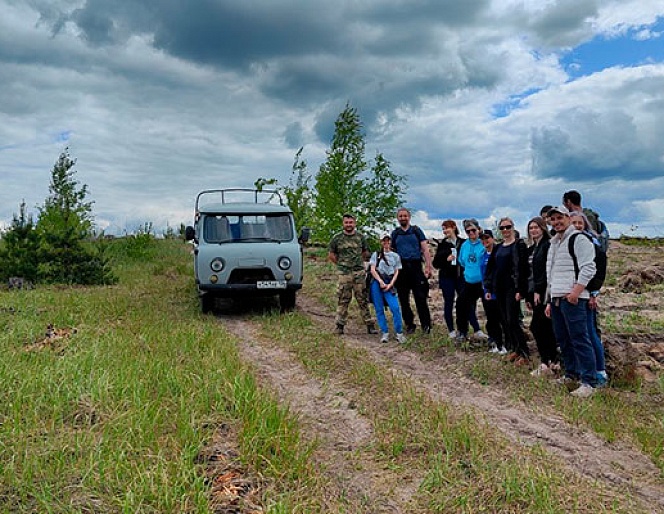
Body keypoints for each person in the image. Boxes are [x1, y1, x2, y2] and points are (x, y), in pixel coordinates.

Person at [545, 205, 598, 398]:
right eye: (553, 219)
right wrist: (550, 301)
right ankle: (571, 374)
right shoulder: (554, 243)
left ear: (568, 218)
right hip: (558, 298)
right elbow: (551, 274)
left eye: (560, 218)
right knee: (564, 339)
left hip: (573, 299)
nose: (557, 222)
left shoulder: (578, 239)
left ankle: (588, 381)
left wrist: (576, 291)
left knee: (580, 339)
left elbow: (589, 268)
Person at [569, 210, 608, 387]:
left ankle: (600, 372)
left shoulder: (592, 243)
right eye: (573, 223)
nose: (576, 226)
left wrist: (594, 292)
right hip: (575, 295)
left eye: (579, 223)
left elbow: (597, 270)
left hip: (587, 295)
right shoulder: (569, 242)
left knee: (590, 333)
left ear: (585, 224)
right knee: (579, 334)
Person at [483, 217, 530, 365]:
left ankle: (524, 352)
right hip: (499, 288)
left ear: (513, 227)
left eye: (507, 227)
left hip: (512, 288)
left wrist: (520, 289)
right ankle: (515, 349)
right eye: (502, 228)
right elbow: (491, 269)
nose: (505, 230)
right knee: (505, 321)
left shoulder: (519, 245)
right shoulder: (498, 247)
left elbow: (522, 269)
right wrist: (489, 287)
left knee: (513, 320)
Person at [328, 214, 377, 335]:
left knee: (362, 299)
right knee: (343, 299)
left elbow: (365, 252)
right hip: (344, 274)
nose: (349, 224)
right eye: (346, 222)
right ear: (343, 224)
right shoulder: (337, 238)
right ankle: (339, 326)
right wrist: (341, 265)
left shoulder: (360, 237)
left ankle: (369, 325)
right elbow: (331, 254)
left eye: (351, 222)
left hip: (359, 273)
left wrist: (359, 263)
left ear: (354, 223)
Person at [432, 219, 481, 339]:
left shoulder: (463, 243)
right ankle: (451, 330)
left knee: (466, 303)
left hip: (461, 277)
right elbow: (435, 263)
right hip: (446, 278)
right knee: (449, 303)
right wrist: (446, 260)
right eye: (443, 229)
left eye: (446, 228)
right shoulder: (442, 244)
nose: (444, 231)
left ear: (453, 227)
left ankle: (476, 328)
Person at [525, 216, 559, 376]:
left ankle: (547, 362)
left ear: (543, 228)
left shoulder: (547, 245)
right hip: (535, 292)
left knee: (538, 327)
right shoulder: (534, 247)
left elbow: (546, 272)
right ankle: (552, 360)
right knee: (543, 327)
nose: (533, 230)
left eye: (536, 227)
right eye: (531, 228)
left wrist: (539, 291)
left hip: (545, 293)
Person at [391, 208, 433, 334]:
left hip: (415, 267)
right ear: (397, 218)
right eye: (400, 216)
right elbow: (392, 252)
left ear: (409, 217)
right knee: (404, 299)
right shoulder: (395, 233)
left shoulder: (416, 231)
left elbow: (425, 250)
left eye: (405, 216)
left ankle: (426, 325)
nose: (403, 218)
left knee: (420, 298)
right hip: (401, 268)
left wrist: (428, 266)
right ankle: (409, 324)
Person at [455, 219, 488, 344]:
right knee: (461, 305)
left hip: (483, 283)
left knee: (489, 308)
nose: (471, 233)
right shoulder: (464, 245)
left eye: (473, 230)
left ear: (479, 230)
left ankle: (495, 335)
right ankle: (462, 332)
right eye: (468, 231)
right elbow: (462, 261)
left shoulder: (483, 244)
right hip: (468, 281)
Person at [369, 233, 406, 344]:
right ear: (381, 242)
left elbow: (397, 271)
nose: (386, 243)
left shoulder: (395, 256)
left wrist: (390, 284)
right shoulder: (376, 255)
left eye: (388, 241)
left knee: (395, 308)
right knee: (379, 308)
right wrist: (380, 281)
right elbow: (372, 269)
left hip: (389, 282)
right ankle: (384, 332)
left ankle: (399, 333)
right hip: (377, 282)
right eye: (384, 241)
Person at [479, 229, 505, 353]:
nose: (485, 241)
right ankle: (496, 343)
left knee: (502, 319)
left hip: (498, 291)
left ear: (493, 238)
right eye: (482, 239)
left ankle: (505, 344)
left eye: (487, 238)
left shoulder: (498, 253)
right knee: (491, 319)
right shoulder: (483, 255)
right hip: (486, 291)